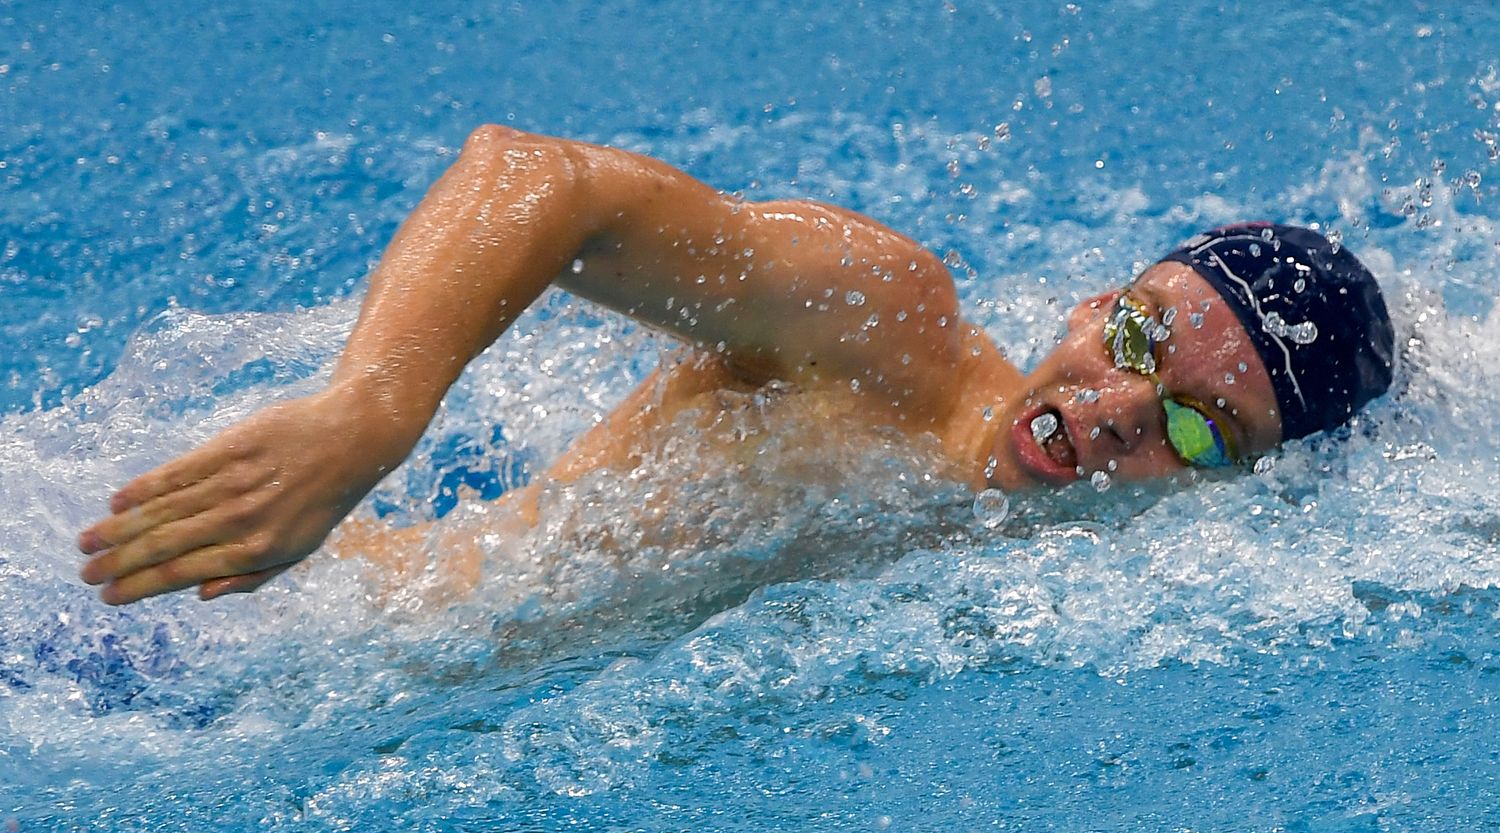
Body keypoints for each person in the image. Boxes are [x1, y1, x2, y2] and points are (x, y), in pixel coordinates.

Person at [75, 125, 1396, 605]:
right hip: (211, 595)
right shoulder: (891, 330)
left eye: (1205, 432)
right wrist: (370, 410)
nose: (1117, 417)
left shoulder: (1084, 586)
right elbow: (539, 178)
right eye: (1134, 341)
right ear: (1093, 300)